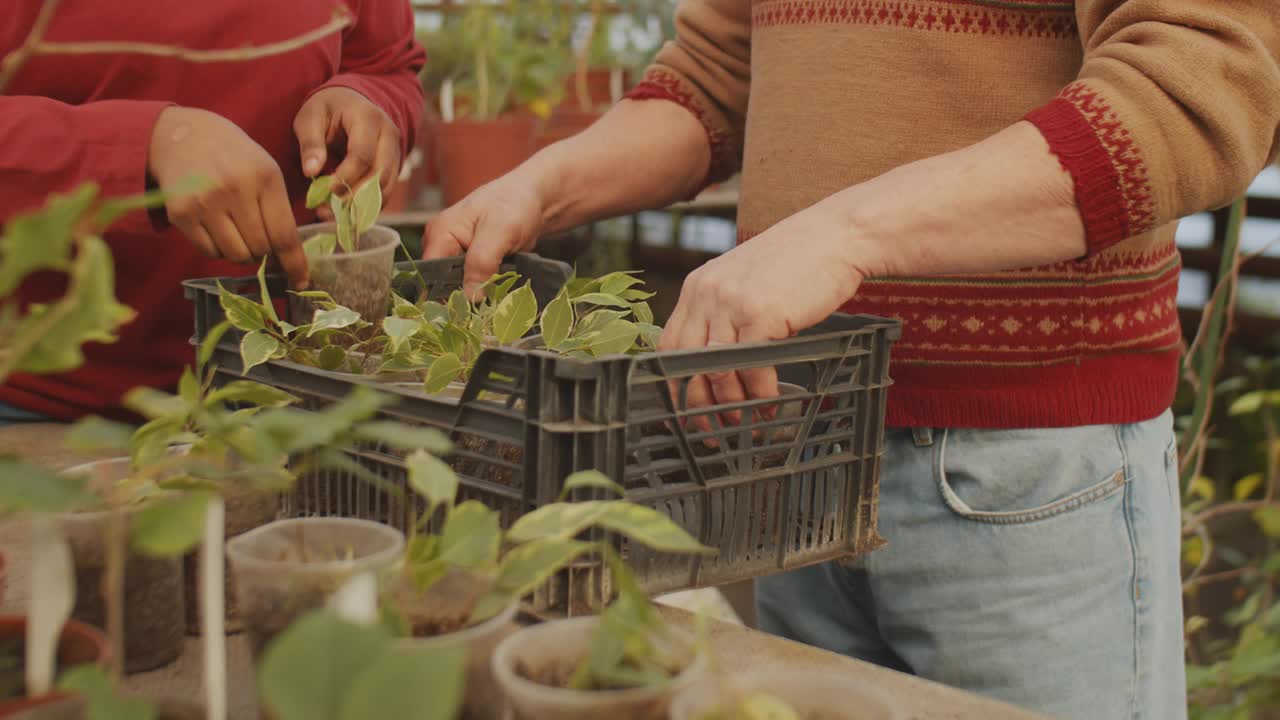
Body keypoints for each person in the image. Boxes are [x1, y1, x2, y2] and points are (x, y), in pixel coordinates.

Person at [424, 2, 1280, 717]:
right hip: (796, 451)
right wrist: (541, 185)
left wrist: (844, 234)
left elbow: (1206, 80)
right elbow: (716, 78)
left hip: (1024, 470)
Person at [0, 0, 425, 424]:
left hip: (287, 389)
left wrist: (366, 98)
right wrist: (139, 145)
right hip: (37, 400)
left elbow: (385, 62)